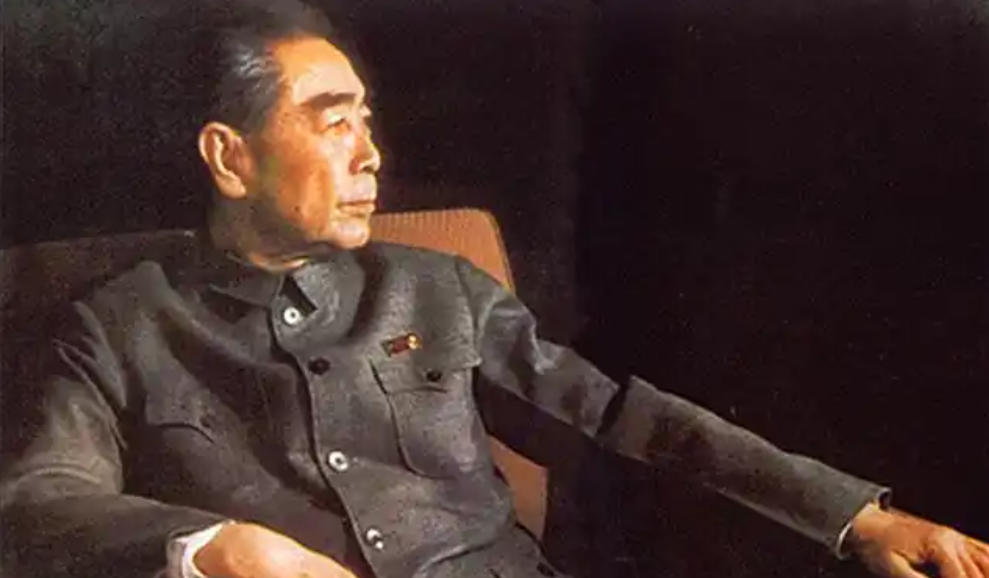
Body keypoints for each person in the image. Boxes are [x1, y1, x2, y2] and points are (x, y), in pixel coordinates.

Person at [2, 2, 987, 578]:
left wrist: (856, 517)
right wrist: (216, 545)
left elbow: (624, 419)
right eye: (332, 122)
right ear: (229, 157)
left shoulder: (436, 288)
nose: (371, 154)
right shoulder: (117, 324)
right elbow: (36, 500)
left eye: (367, 122)